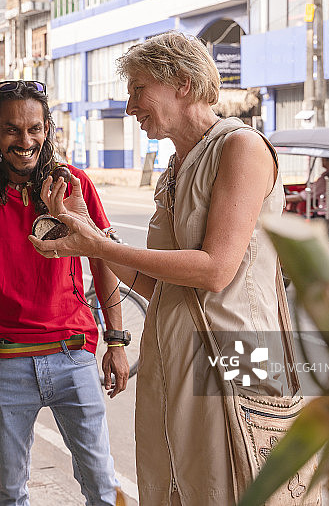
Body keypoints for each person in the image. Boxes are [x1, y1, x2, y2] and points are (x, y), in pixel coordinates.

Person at [29, 32, 309, 505]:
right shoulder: (175, 170)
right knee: (176, 489)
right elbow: (156, 285)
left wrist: (99, 242)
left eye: (139, 89)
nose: (130, 106)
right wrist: (86, 236)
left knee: (235, 488)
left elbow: (215, 269)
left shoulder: (240, 148)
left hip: (235, 356)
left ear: (182, 82)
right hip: (174, 361)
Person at [0, 80, 128, 506]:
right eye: (12, 130)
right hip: (6, 364)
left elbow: (103, 259)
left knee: (101, 485)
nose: (25, 141)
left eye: (34, 129)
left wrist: (116, 341)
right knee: (9, 492)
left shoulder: (74, 186)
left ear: (48, 130)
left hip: (74, 356)